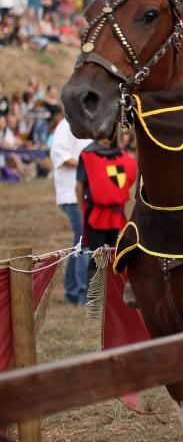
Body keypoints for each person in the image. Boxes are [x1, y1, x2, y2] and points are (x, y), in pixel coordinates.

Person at [77, 137, 137, 286]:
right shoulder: (88, 156)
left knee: (110, 258)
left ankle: (108, 297)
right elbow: (79, 186)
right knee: (97, 259)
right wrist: (82, 208)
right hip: (97, 215)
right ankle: (95, 299)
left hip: (114, 215)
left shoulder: (125, 159)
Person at [50, 112, 92, 305]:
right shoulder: (65, 127)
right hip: (70, 193)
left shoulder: (86, 125)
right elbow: (61, 156)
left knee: (80, 241)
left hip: (85, 194)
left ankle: (72, 293)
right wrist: (91, 166)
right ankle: (81, 293)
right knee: (83, 240)